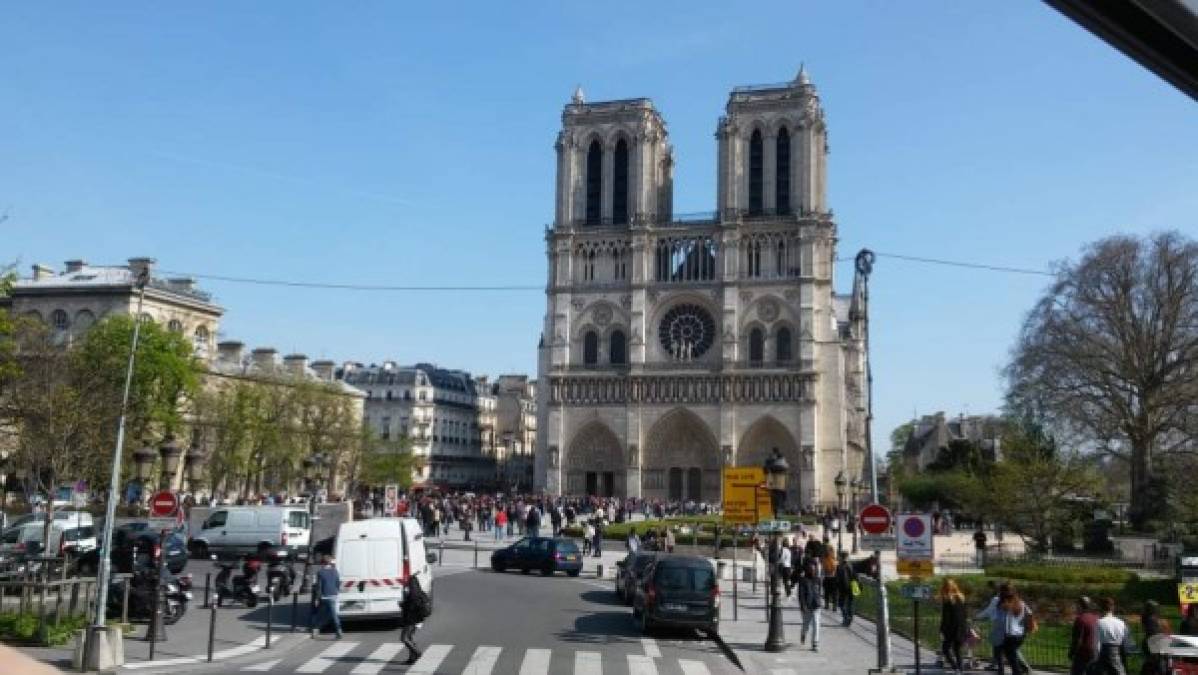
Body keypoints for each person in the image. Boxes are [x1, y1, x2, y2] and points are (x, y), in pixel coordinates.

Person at [999, 584, 1034, 675]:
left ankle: (1019, 671)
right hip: (1021, 634)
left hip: (1011, 635)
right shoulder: (1021, 603)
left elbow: (1004, 620)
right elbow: (1030, 613)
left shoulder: (1006, 605)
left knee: (1011, 658)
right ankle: (1022, 669)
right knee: (1012, 656)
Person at [398, 573, 431, 665]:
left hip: (411, 619)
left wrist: (403, 604)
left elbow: (410, 608)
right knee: (410, 637)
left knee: (404, 638)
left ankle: (417, 652)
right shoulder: (420, 593)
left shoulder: (412, 595)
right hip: (419, 619)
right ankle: (412, 658)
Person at [939, 578, 968, 674]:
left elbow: (946, 617)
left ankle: (955, 667)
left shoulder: (948, 599)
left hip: (951, 628)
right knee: (957, 649)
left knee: (945, 649)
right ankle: (960, 669)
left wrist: (942, 629)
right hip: (961, 627)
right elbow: (965, 614)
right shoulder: (961, 597)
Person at [310, 555, 343, 639]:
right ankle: (338, 630)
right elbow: (338, 583)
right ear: (330, 562)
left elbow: (319, 586)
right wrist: (336, 591)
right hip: (333, 595)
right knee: (330, 613)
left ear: (322, 563)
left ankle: (315, 630)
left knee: (321, 614)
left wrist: (317, 598)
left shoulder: (320, 572)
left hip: (324, 596)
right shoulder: (335, 571)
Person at [1096, 597, 1131, 675]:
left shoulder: (1099, 622)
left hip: (1103, 655)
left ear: (1101, 608)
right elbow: (1127, 642)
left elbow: (1097, 644)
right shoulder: (1121, 623)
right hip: (1118, 654)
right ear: (1113, 608)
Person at [796, 557, 822, 652]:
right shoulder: (803, 580)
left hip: (816, 605)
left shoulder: (817, 579)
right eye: (810, 567)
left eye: (814, 567)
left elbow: (818, 592)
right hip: (807, 606)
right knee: (806, 625)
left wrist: (819, 601)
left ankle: (815, 643)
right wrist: (803, 606)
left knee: (816, 623)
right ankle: (803, 634)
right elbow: (801, 594)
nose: (812, 569)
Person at [1069, 596, 1100, 675]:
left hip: (1083, 654)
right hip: (1095, 652)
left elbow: (1077, 639)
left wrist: (1071, 653)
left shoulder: (1080, 619)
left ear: (1079, 606)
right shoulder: (1096, 618)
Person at [836, 550, 859, 627]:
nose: (838, 558)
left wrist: (837, 587)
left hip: (843, 588)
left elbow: (838, 579)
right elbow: (856, 576)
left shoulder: (840, 566)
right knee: (850, 603)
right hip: (851, 587)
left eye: (839, 556)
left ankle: (846, 618)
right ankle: (850, 618)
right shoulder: (851, 565)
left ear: (841, 557)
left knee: (841, 604)